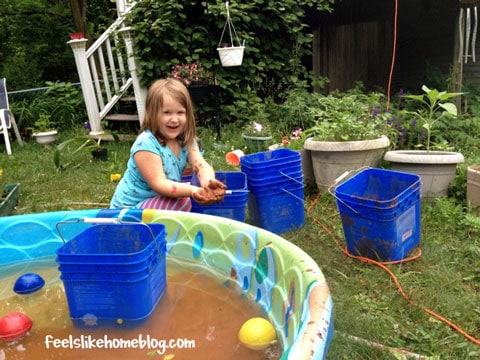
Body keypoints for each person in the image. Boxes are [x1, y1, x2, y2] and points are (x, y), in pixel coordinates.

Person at [110, 78, 226, 211]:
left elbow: (201, 165)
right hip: (127, 211)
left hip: (155, 201)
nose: (175, 119)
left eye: (180, 112)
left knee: (183, 199)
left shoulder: (186, 140)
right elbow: (159, 183)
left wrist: (207, 182)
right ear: (152, 114)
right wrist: (193, 191)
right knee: (182, 202)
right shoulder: (146, 144)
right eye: (167, 113)